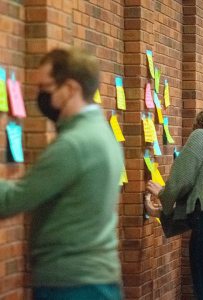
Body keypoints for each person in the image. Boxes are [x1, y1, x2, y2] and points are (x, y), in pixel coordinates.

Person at [0, 49, 124, 300]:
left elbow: (10, 201)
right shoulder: (103, 133)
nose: (39, 97)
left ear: (70, 88)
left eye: (45, 87)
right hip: (96, 279)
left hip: (72, 284)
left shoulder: (73, 144)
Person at [145, 105, 203, 299]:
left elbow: (181, 179)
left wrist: (163, 194)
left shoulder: (202, 136)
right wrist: (160, 213)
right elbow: (202, 201)